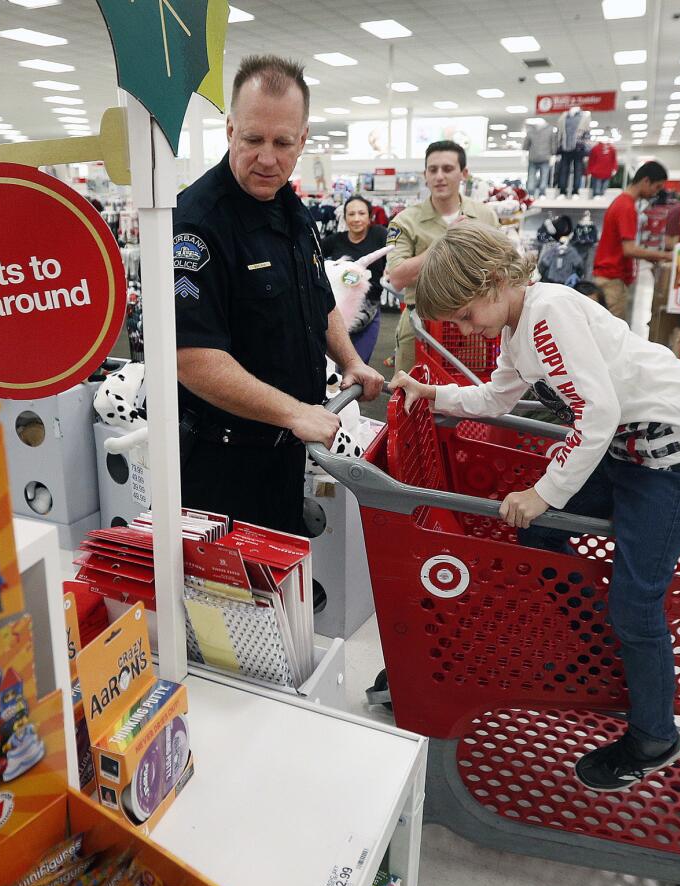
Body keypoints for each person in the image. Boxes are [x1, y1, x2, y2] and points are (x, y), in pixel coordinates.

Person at [390, 222, 680, 792]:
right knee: (540, 532)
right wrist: (434, 394)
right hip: (627, 446)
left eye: (468, 314)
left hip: (675, 452)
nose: (466, 327)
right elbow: (496, 396)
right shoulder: (517, 326)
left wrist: (544, 491)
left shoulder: (549, 313)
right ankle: (596, 647)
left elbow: (595, 416)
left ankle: (654, 735)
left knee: (637, 600)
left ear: (497, 282)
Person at [173, 55, 384, 535]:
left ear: (303, 140)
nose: (267, 158)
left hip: (286, 451)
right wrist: (294, 413)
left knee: (278, 591)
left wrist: (350, 359)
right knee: (230, 601)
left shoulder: (290, 207)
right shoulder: (198, 223)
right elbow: (192, 356)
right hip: (222, 464)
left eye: (282, 142)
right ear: (230, 130)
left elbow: (317, 298)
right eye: (253, 139)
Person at [385, 141, 499, 371]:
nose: (439, 176)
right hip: (421, 325)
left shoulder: (485, 216)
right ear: (424, 175)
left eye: (447, 169)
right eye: (432, 169)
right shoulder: (404, 221)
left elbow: (500, 270)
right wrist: (445, 239)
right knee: (413, 398)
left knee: (472, 395)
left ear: (463, 173)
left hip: (474, 327)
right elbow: (397, 277)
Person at [592, 160, 671, 319]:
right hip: (612, 280)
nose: (656, 193)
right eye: (656, 187)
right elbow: (629, 249)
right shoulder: (626, 207)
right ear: (646, 181)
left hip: (609, 277)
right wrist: (665, 256)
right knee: (611, 333)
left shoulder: (622, 202)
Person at [321, 195, 389, 362]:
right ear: (344, 217)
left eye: (361, 213)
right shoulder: (337, 240)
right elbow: (312, 253)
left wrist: (391, 268)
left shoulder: (379, 234)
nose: (356, 219)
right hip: (337, 309)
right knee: (332, 364)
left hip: (367, 308)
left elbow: (397, 253)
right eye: (351, 214)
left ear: (369, 216)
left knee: (358, 362)